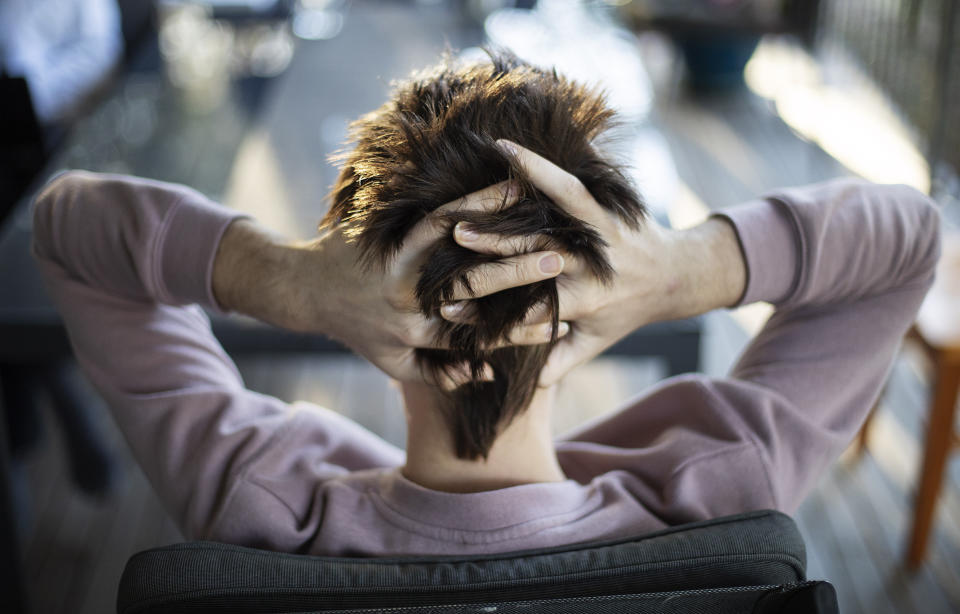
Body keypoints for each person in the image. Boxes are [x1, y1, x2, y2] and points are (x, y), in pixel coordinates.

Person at [32, 54, 940, 557]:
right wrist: (680, 271)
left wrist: (290, 281)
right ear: (592, 294)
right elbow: (907, 242)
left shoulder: (261, 500)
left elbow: (69, 226)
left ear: (367, 299)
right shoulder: (714, 495)